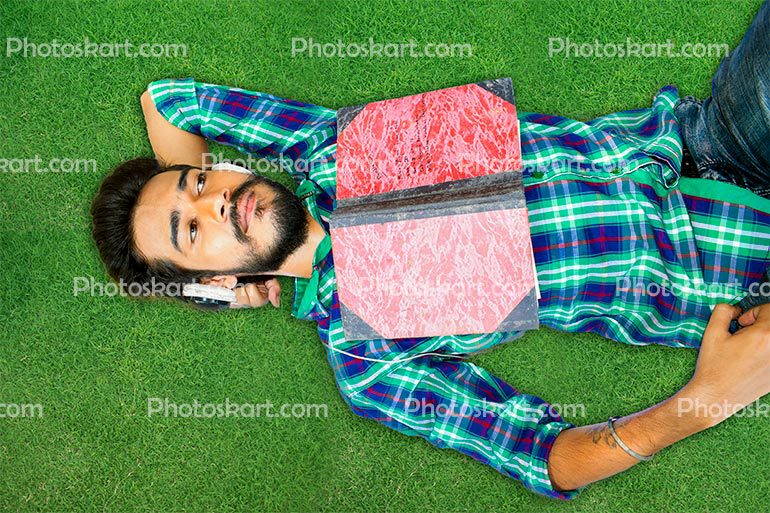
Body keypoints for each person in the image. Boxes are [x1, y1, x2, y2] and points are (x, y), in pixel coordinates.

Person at [90, 1, 770, 500]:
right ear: (204, 275)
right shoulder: (365, 356)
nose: (215, 203)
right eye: (191, 230)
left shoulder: (322, 147)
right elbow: (540, 454)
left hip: (714, 135)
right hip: (739, 280)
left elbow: (170, 101)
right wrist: (705, 399)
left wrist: (220, 264)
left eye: (201, 182)